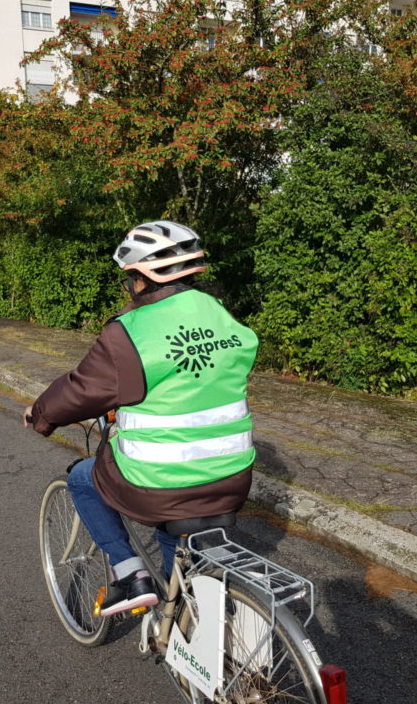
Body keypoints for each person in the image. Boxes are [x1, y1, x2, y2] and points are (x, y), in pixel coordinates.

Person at [23, 221, 258, 616]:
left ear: (141, 279)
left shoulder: (129, 332)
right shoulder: (219, 315)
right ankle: (182, 610)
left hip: (158, 482)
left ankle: (130, 573)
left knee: (82, 477)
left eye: (128, 279)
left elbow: (82, 389)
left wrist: (40, 415)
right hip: (234, 476)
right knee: (172, 526)